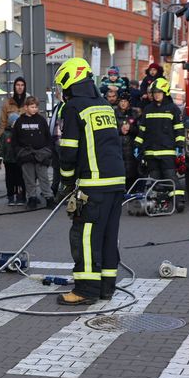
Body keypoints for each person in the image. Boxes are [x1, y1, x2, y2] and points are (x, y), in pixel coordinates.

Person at [55, 57, 125, 305]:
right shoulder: (104, 105)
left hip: (93, 185)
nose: (61, 91)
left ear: (70, 80)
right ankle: (106, 287)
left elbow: (69, 150)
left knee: (84, 236)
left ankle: (85, 290)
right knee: (107, 236)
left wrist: (65, 184)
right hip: (116, 183)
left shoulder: (74, 107)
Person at [134, 78, 185, 212]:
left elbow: (179, 129)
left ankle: (179, 201)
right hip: (151, 152)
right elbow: (142, 130)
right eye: (154, 92)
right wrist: (137, 145)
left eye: (159, 92)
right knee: (155, 180)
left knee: (170, 177)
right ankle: (159, 203)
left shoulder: (173, 109)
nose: (156, 95)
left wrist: (179, 145)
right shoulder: (148, 109)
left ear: (165, 92)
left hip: (167, 151)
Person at [12, 96, 54, 210]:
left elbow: (48, 138)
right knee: (29, 179)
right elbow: (14, 140)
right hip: (26, 155)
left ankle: (49, 197)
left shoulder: (41, 120)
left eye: (36, 107)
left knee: (43, 178)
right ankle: (32, 198)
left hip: (41, 154)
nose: (34, 109)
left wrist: (48, 151)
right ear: (26, 107)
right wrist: (19, 152)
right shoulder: (19, 122)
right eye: (32, 107)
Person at [0, 112, 26, 206]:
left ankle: (21, 196)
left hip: (19, 160)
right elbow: (0, 148)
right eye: (14, 122)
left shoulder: (22, 133)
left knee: (20, 179)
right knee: (10, 180)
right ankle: (11, 196)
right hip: (9, 161)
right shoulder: (5, 134)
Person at [115, 91, 139, 189]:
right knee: (118, 169)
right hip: (117, 146)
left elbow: (139, 130)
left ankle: (130, 190)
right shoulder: (113, 113)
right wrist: (120, 130)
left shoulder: (134, 114)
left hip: (131, 147)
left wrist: (131, 128)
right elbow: (109, 130)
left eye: (125, 101)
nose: (123, 103)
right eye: (121, 101)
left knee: (131, 170)